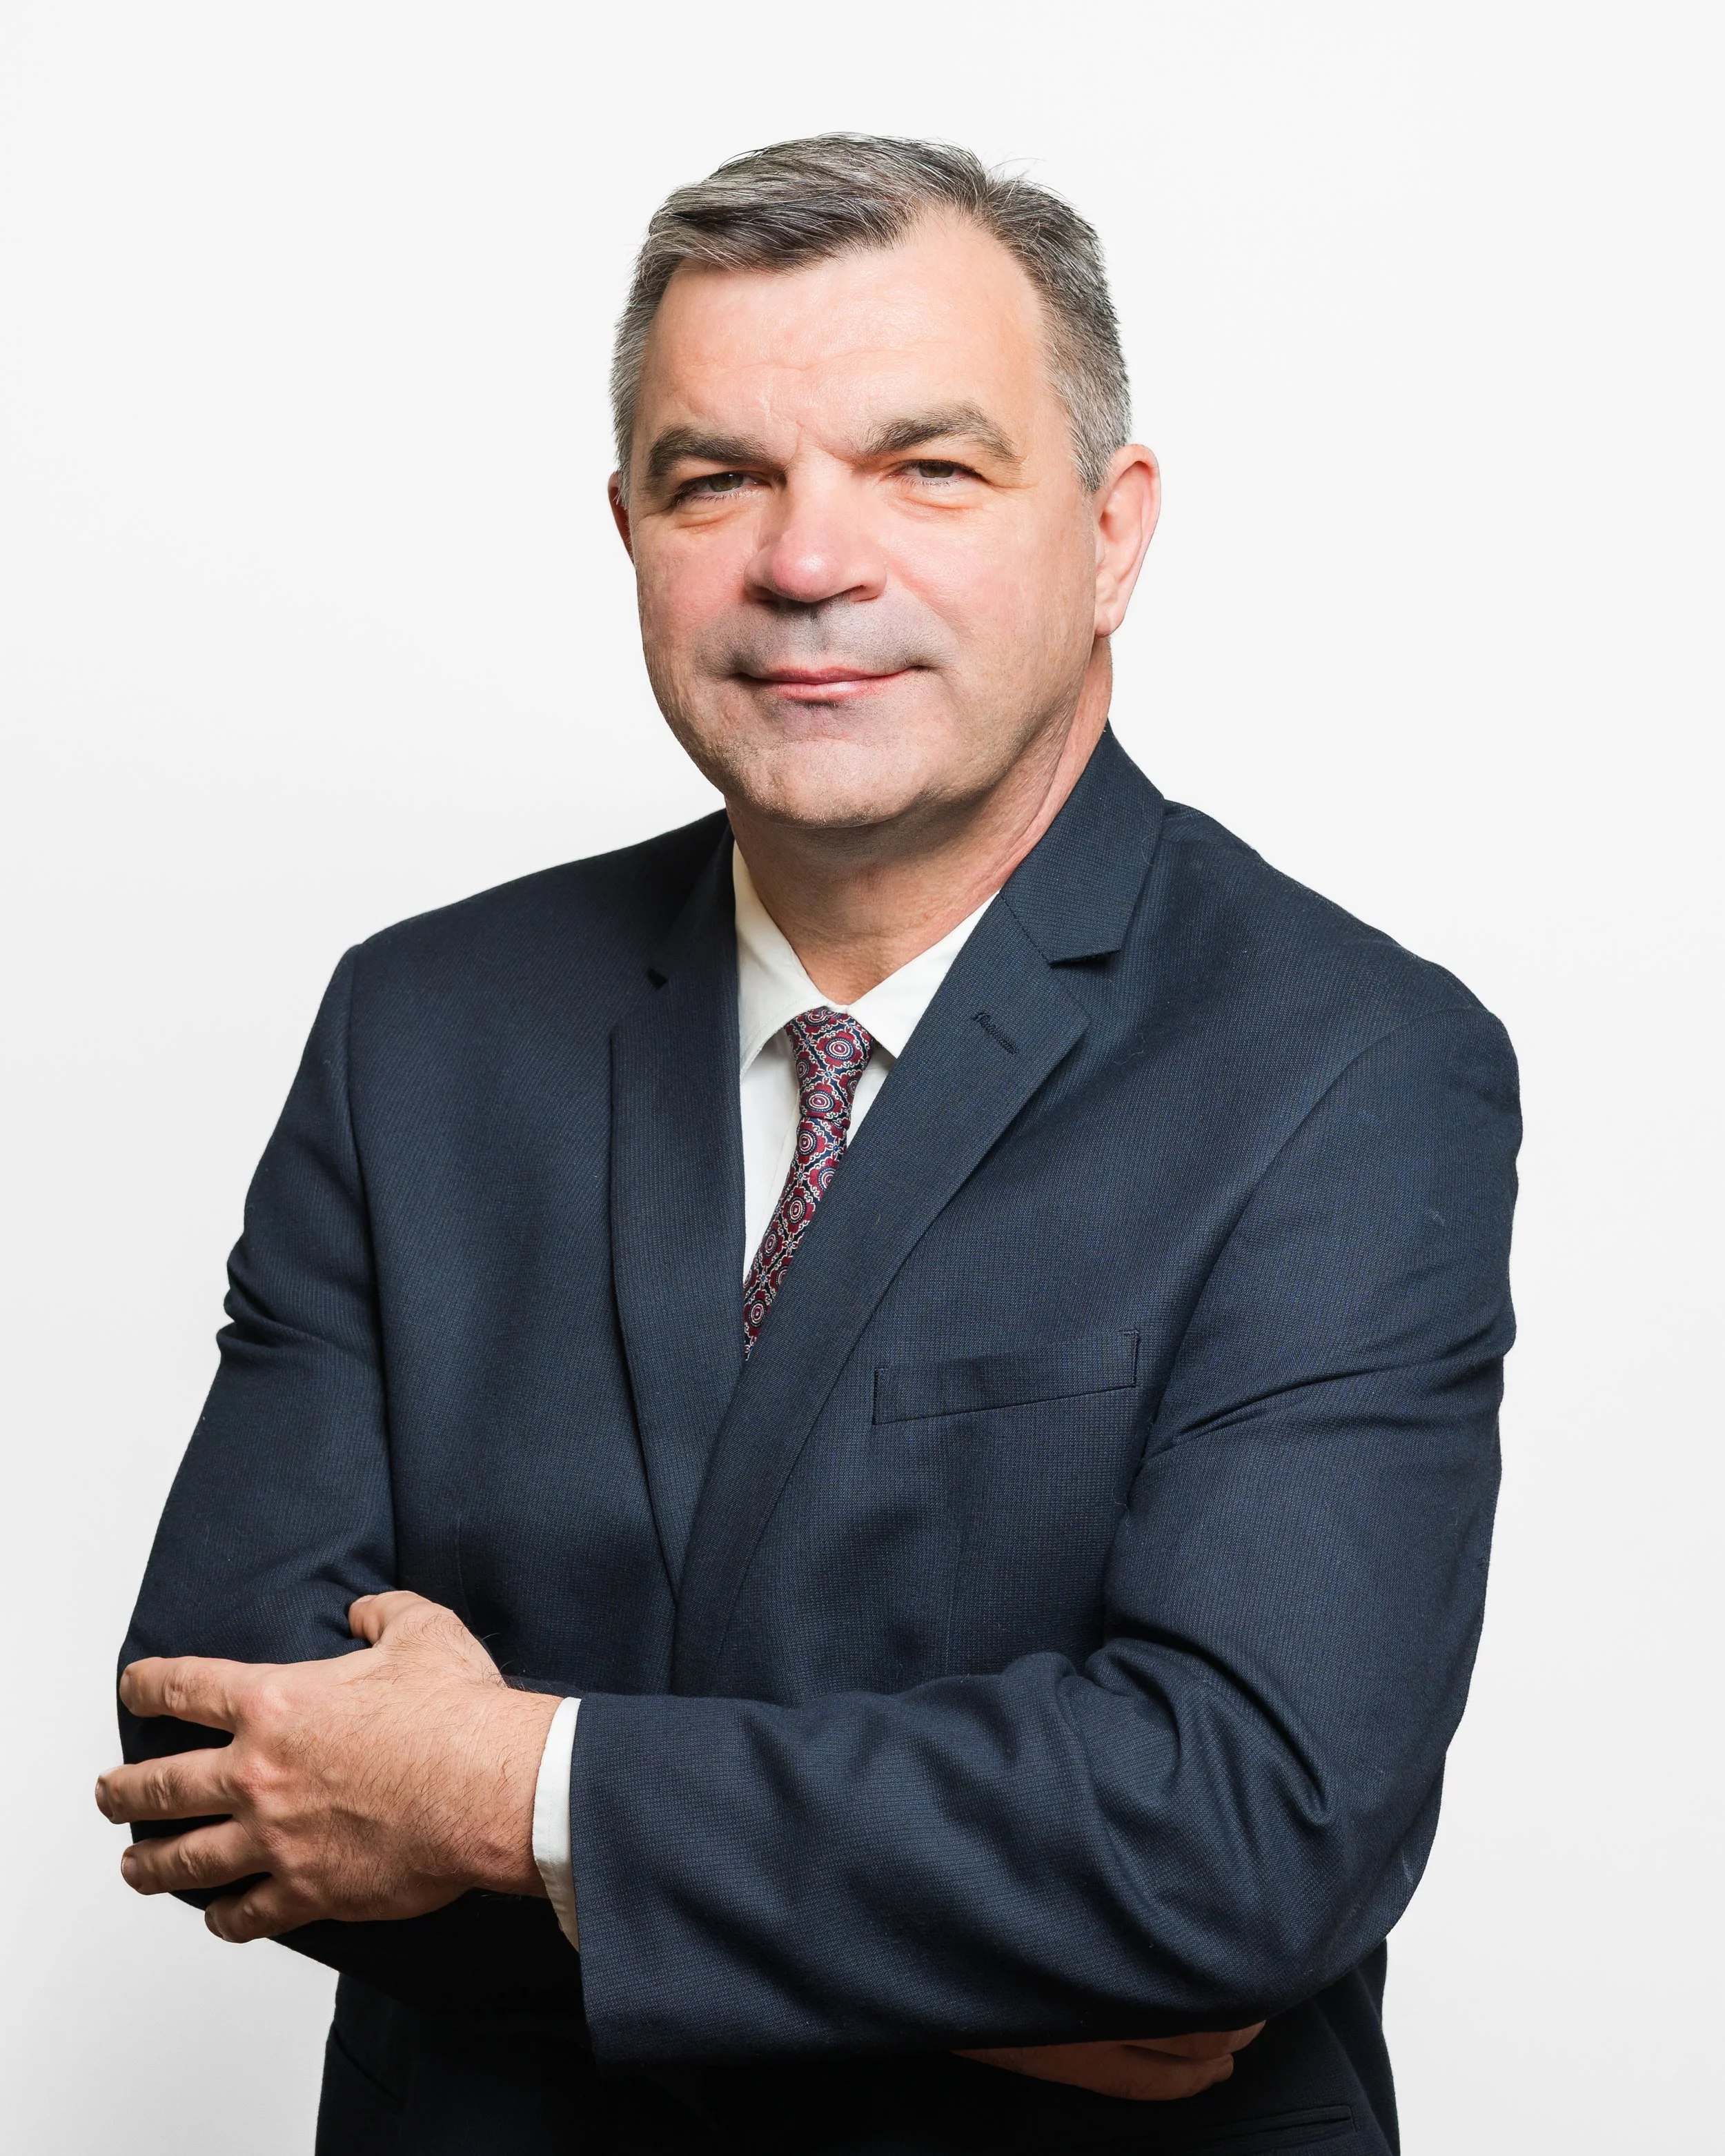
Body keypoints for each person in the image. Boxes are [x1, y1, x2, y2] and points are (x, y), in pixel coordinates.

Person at [98, 135, 1519, 2155]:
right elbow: (219, 1746)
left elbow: (1235, 1839)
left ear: (1109, 532)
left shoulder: (1344, 1064)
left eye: (925, 467)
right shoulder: (422, 1025)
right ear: (627, 530)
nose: (804, 560)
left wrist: (500, 1795)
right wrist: (997, 1971)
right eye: (716, 477)